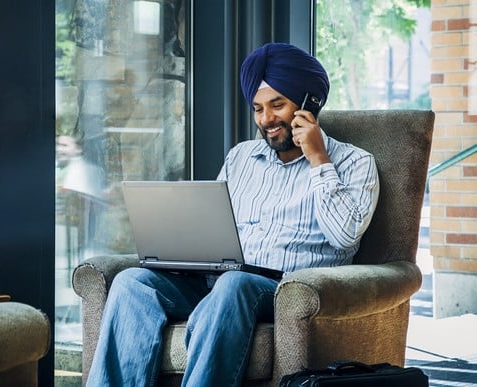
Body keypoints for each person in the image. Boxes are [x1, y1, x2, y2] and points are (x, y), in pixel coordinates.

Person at [86, 43, 380, 386]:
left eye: (277, 105)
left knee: (234, 283)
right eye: (257, 109)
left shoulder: (355, 163)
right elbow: (211, 228)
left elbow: (345, 235)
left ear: (309, 103)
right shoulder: (241, 157)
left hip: (285, 290)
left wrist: (318, 160)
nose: (266, 119)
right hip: (218, 283)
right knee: (132, 281)